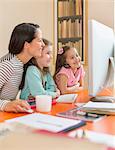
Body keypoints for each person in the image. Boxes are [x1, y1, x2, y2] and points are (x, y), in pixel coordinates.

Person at [0, 23, 44, 112]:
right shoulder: (7, 65)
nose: (43, 44)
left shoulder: (23, 65)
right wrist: (6, 105)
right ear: (26, 44)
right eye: (39, 40)